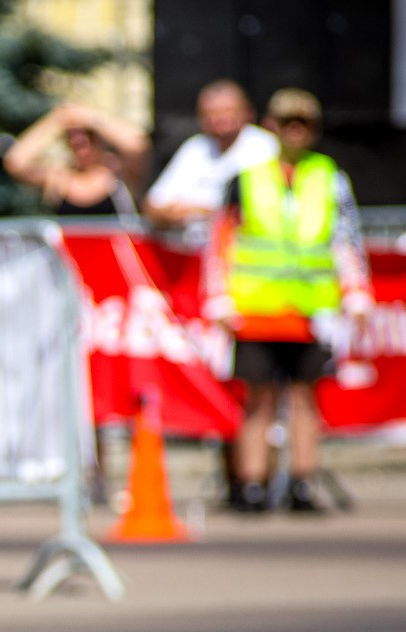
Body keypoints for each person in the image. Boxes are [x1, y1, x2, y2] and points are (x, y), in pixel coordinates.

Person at [203, 88, 372, 513]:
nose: (296, 132)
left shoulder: (328, 176)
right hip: (257, 306)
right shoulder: (246, 177)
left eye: (305, 123)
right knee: (257, 399)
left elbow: (346, 239)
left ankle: (301, 482)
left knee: (303, 398)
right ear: (273, 126)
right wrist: (219, 300)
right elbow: (221, 241)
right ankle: (252, 485)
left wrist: (356, 293)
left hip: (309, 307)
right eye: (287, 122)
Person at [144, 80, 278, 238]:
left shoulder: (265, 146)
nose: (218, 119)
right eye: (210, 112)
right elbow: (152, 204)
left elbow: (253, 212)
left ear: (247, 112)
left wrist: (194, 211)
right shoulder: (195, 147)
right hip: (195, 253)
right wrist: (169, 214)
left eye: (227, 111)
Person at [3, 102, 151, 220]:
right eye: (71, 136)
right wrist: (57, 120)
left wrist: (88, 117)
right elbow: (15, 163)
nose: (80, 141)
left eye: (87, 134)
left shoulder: (119, 172)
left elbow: (138, 146)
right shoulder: (59, 178)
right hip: (67, 258)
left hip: (116, 256)